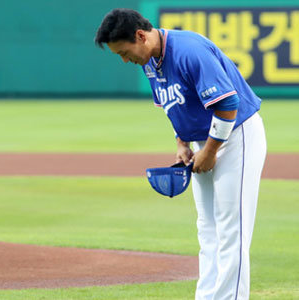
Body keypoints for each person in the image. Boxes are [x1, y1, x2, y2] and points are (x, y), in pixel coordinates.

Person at [94, 8, 266, 300]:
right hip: (204, 140)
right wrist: (182, 144)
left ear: (140, 35)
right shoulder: (149, 61)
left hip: (236, 136)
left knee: (230, 228)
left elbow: (228, 104)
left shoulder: (189, 50)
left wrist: (210, 151)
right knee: (207, 229)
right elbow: (175, 106)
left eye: (124, 51)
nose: (125, 59)